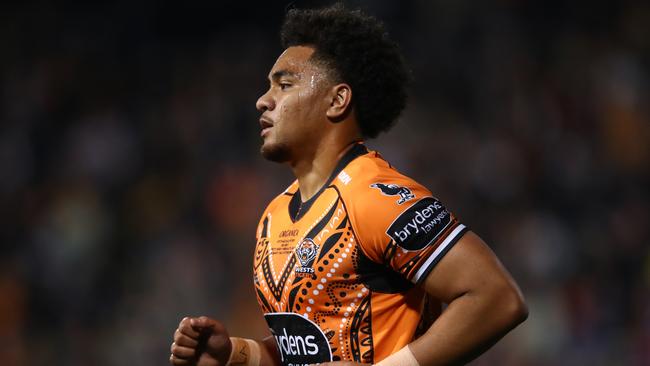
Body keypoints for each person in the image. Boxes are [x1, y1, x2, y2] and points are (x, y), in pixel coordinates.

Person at [170, 3, 528, 366]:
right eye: (268, 88)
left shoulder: (375, 197)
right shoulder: (273, 216)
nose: (264, 101)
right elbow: (313, 349)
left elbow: (497, 297)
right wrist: (235, 354)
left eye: (285, 84)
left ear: (337, 100)